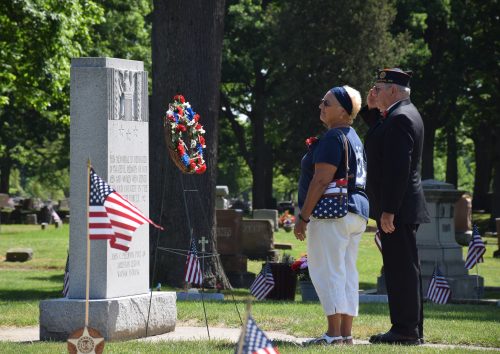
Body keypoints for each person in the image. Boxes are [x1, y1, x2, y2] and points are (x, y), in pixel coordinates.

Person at [360, 68, 430, 345]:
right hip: (400, 206)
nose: (374, 92)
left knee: (401, 270)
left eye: (378, 88)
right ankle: (409, 328)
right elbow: (379, 136)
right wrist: (370, 108)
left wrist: (388, 209)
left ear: (393, 90)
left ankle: (405, 330)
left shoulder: (400, 118)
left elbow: (398, 169)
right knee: (402, 269)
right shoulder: (400, 114)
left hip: (398, 208)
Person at [294, 85, 369, 345]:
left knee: (327, 270)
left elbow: (322, 179)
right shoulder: (354, 137)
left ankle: (333, 335)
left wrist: (303, 217)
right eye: (321, 102)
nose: (321, 107)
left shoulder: (333, 138)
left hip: (332, 213)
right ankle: (345, 334)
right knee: (347, 271)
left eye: (327, 103)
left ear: (343, 110)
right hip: (356, 211)